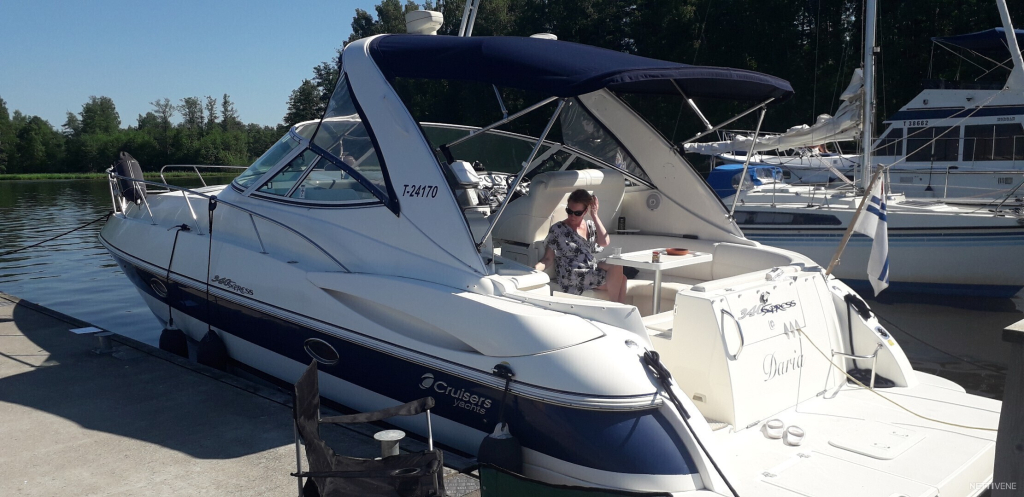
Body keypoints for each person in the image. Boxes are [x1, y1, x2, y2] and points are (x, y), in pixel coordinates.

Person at [535, 189, 627, 303]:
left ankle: (618, 307)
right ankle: (616, 306)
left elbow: (605, 242)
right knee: (621, 279)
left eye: (577, 213)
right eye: (569, 211)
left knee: (618, 266)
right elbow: (548, 258)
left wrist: (595, 215)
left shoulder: (590, 226)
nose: (572, 216)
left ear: (585, 211)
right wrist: (533, 270)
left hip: (589, 268)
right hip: (571, 274)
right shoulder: (557, 229)